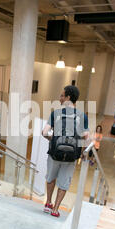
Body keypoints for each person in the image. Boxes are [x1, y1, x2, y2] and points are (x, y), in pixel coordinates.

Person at [42, 86, 89, 218]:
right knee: (64, 182)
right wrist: (82, 153)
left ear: (68, 97)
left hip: (55, 153)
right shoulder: (82, 116)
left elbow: (44, 132)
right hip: (71, 156)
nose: (60, 98)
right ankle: (56, 209)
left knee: (51, 178)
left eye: (62, 96)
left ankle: (48, 203)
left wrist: (53, 139)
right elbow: (86, 137)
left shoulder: (55, 114)